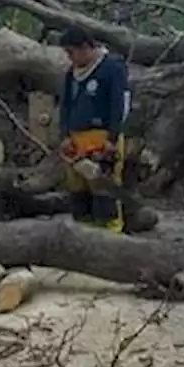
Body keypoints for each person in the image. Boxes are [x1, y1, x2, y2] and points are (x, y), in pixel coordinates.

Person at [57, 27, 130, 233]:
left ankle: (109, 233)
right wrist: (64, 135)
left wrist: (113, 138)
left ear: (86, 48)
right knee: (78, 189)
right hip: (76, 139)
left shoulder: (113, 68)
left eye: (71, 52)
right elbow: (65, 106)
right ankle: (83, 231)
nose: (70, 58)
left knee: (103, 187)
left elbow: (120, 105)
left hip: (102, 137)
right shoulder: (72, 73)